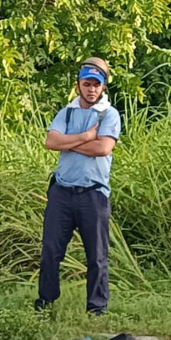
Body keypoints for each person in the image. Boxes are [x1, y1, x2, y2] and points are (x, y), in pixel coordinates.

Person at [37, 57, 122, 315]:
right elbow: (51, 141)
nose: (92, 89)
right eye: (87, 84)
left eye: (97, 84)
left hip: (93, 194)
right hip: (62, 191)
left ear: (103, 87)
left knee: (96, 256)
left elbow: (104, 147)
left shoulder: (109, 114)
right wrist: (85, 137)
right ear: (78, 86)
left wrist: (69, 143)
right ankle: (46, 303)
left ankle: (96, 308)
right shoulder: (67, 112)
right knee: (50, 250)